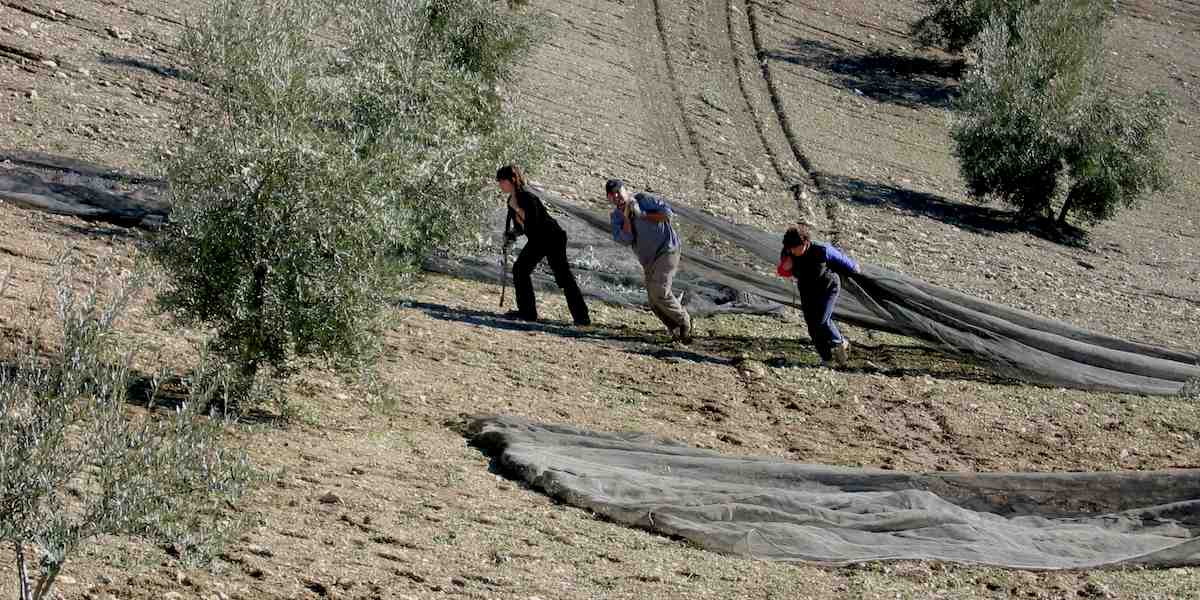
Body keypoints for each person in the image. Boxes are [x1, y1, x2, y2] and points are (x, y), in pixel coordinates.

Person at [497, 165, 591, 326]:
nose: (499, 184)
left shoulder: (526, 197)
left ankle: (582, 318)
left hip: (552, 237)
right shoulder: (511, 200)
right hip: (538, 240)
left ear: (512, 180)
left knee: (563, 278)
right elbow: (521, 227)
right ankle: (527, 312)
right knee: (520, 270)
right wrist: (511, 235)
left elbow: (534, 220)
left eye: (501, 180)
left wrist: (517, 208)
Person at [606, 179, 692, 343]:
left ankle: (684, 322)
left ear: (626, 190)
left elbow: (667, 215)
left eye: (618, 192)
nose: (616, 196)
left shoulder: (644, 200)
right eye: (612, 195)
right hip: (648, 260)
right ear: (609, 198)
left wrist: (642, 214)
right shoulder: (616, 217)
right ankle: (675, 329)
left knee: (660, 290)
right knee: (653, 300)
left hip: (667, 249)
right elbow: (625, 239)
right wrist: (627, 218)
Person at [776, 223, 858, 366]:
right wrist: (785, 267)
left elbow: (848, 263)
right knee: (812, 326)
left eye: (796, 247)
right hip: (807, 289)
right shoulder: (788, 252)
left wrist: (855, 269)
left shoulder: (822, 250)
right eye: (790, 248)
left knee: (821, 319)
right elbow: (783, 271)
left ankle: (840, 342)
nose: (792, 251)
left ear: (805, 242)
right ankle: (827, 359)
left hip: (828, 287)